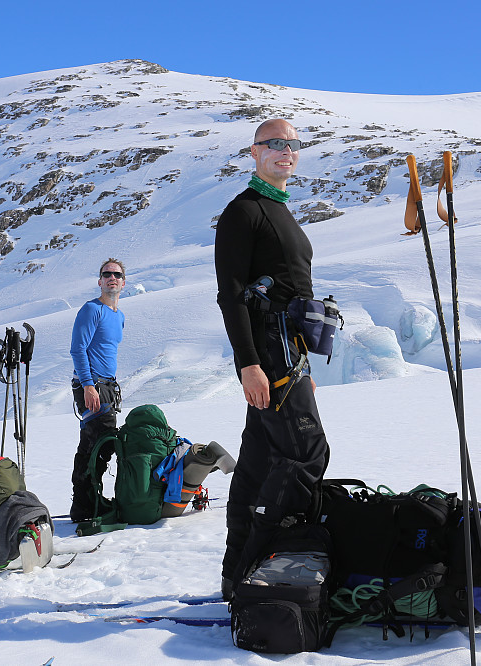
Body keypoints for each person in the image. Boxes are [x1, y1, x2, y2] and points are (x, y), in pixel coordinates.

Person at [214, 119, 330, 598]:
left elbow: (291, 290)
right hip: (269, 357)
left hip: (288, 356)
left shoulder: (280, 210)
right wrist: (250, 364)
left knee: (260, 464)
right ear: (255, 152)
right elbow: (232, 295)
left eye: (294, 145)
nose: (287, 151)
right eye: (275, 144)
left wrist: (301, 364)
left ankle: (236, 572)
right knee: (306, 455)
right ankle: (266, 561)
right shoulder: (244, 212)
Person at [68, 258, 127, 521]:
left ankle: (91, 499)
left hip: (107, 386)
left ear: (123, 282)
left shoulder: (118, 315)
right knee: (93, 444)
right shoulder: (92, 310)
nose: (112, 277)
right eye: (107, 274)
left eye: (117, 274)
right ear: (100, 281)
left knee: (102, 445)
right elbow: (78, 349)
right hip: (91, 385)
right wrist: (88, 385)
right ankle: (82, 505)